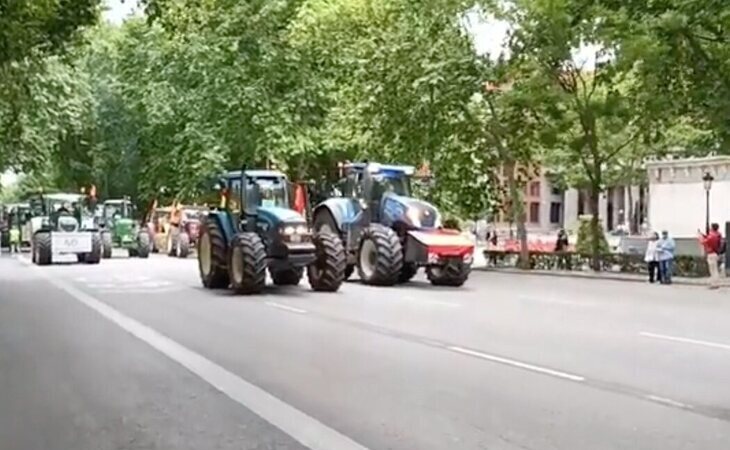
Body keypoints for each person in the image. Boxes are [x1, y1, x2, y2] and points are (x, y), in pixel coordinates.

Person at [699, 223, 723, 289]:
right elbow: (708, 238)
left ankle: (714, 284)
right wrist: (703, 235)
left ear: (712, 227)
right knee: (715, 269)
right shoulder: (718, 234)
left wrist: (700, 237)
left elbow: (704, 242)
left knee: (712, 270)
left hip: (711, 253)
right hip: (715, 253)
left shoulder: (712, 235)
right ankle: (716, 283)